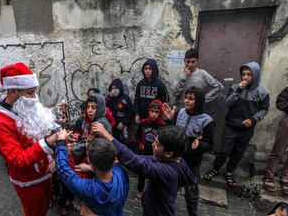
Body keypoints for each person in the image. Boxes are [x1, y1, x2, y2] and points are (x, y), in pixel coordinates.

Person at [0, 62, 60, 216]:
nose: (35, 98)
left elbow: (36, 124)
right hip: (30, 182)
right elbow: (19, 159)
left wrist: (55, 115)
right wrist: (48, 142)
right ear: (13, 91)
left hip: (45, 172)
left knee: (44, 208)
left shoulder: (21, 105)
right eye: (30, 93)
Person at [91, 122, 196, 216]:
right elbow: (146, 158)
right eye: (154, 141)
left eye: (157, 144)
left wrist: (107, 135)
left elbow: (137, 163)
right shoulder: (177, 160)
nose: (153, 144)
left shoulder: (167, 172)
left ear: (169, 153)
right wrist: (120, 160)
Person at [204, 62, 269, 187]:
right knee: (223, 151)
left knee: (238, 153)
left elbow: (264, 109)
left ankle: (229, 172)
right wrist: (238, 89)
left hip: (247, 129)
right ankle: (215, 169)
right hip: (231, 126)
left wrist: (253, 120)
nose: (245, 77)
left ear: (255, 75)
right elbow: (228, 103)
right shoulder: (235, 87)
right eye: (243, 74)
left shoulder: (262, 92)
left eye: (249, 74)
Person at [163, 86, 214, 216]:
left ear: (199, 101)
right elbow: (170, 134)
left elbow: (209, 144)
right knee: (170, 189)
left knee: (191, 193)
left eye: (191, 99)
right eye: (186, 98)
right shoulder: (179, 113)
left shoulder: (207, 121)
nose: (186, 101)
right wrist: (169, 120)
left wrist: (200, 146)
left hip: (192, 164)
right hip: (175, 161)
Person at [55, 130, 129, 216]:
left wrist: (61, 141)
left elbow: (63, 169)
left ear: (92, 166)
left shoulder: (89, 189)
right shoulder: (121, 172)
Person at [134, 99, 165, 205]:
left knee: (155, 174)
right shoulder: (143, 123)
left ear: (160, 113)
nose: (154, 114)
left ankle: (152, 193)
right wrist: (140, 144)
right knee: (142, 173)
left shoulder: (163, 126)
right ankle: (139, 190)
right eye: (152, 111)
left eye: (156, 112)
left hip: (156, 154)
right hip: (144, 152)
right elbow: (137, 136)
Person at [72, 93, 112, 163]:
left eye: (93, 107)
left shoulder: (100, 123)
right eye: (88, 107)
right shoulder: (92, 121)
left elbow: (88, 143)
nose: (89, 110)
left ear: (100, 108)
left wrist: (71, 151)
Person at [133, 59, 169, 124]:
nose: (147, 71)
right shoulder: (140, 84)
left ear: (154, 70)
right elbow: (137, 100)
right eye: (145, 69)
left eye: (150, 69)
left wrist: (162, 115)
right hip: (142, 116)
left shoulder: (160, 85)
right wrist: (136, 114)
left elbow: (164, 101)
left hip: (155, 116)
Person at [106, 78, 133, 144]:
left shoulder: (126, 98)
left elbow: (130, 112)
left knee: (126, 141)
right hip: (112, 122)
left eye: (116, 88)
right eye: (112, 88)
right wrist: (108, 96)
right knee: (113, 141)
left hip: (124, 121)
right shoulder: (109, 98)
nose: (114, 90)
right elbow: (104, 107)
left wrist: (123, 122)